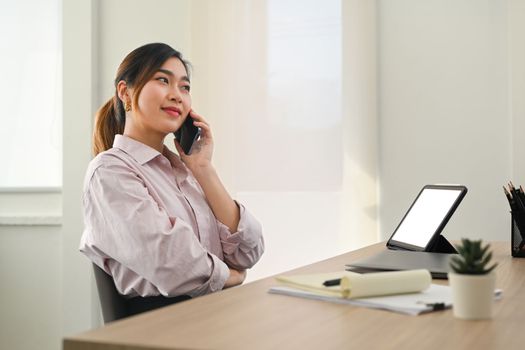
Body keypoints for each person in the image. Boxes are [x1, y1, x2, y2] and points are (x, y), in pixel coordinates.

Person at [80, 43, 264, 306]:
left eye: (185, 87)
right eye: (163, 80)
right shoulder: (109, 171)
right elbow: (170, 261)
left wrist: (203, 169)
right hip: (165, 326)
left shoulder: (185, 173)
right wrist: (229, 277)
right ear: (125, 92)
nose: (177, 95)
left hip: (214, 315)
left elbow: (249, 250)